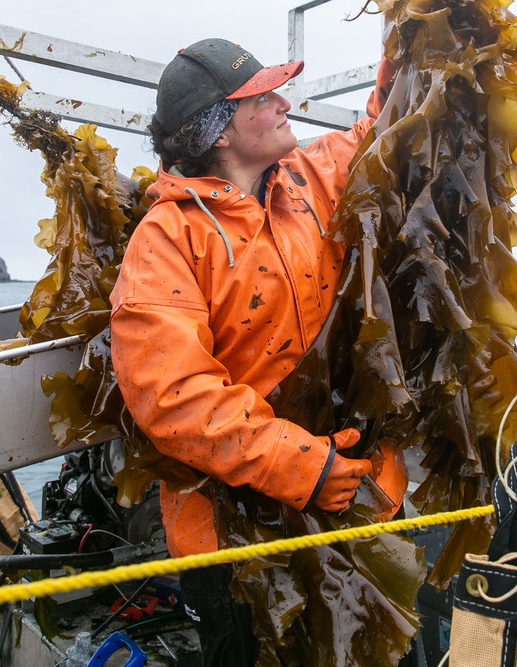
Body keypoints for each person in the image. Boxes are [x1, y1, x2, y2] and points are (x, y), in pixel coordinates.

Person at [108, 38, 404, 665]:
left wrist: (405, 44)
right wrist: (304, 469)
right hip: (231, 536)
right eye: (262, 97)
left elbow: (383, 132)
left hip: (355, 496)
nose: (283, 102)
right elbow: (173, 398)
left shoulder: (307, 180)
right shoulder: (166, 239)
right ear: (217, 129)